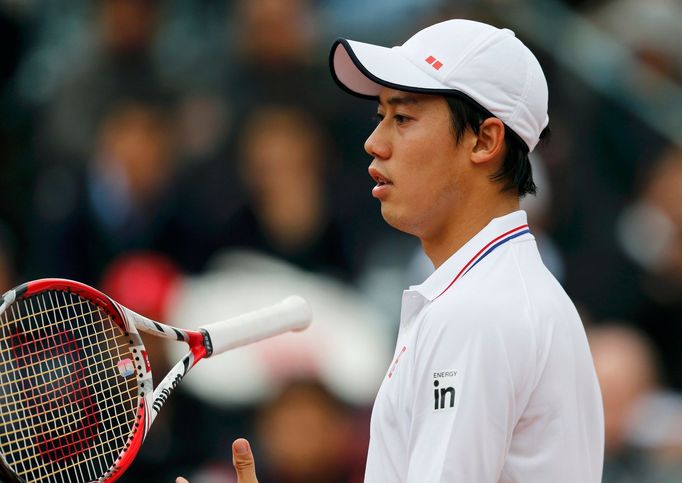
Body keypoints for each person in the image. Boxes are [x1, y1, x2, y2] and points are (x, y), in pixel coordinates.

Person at [178, 18, 605, 483]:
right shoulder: (504, 294)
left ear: (484, 140)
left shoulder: (477, 311)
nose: (374, 142)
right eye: (380, 116)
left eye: (402, 118)